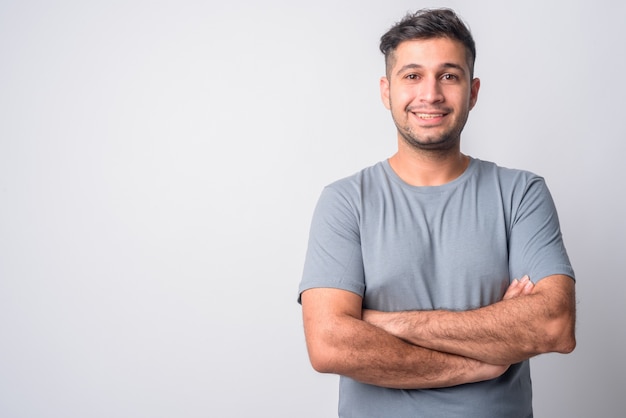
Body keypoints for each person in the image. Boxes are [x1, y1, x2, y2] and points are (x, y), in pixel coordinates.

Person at [297, 7, 576, 418]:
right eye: (412, 76)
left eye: (449, 75)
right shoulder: (345, 202)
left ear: (473, 91)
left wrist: (386, 323)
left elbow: (554, 325)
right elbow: (329, 344)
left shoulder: (520, 194)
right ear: (386, 91)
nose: (430, 94)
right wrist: (481, 361)